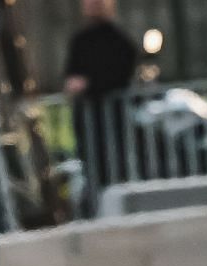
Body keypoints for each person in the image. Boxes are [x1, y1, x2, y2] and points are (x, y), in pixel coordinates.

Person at [64, 0, 138, 203]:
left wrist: (88, 85)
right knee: (92, 166)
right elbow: (71, 73)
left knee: (112, 167)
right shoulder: (80, 40)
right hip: (88, 122)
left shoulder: (119, 41)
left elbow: (119, 75)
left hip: (110, 122)